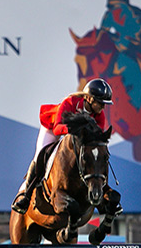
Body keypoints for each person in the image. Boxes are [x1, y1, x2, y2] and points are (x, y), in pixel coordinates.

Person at [11, 78, 114, 214]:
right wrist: (73, 129)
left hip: (74, 137)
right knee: (40, 156)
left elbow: (94, 140)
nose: (102, 107)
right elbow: (57, 129)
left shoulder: (99, 116)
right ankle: (26, 196)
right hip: (53, 127)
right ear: (89, 99)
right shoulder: (70, 103)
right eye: (100, 103)